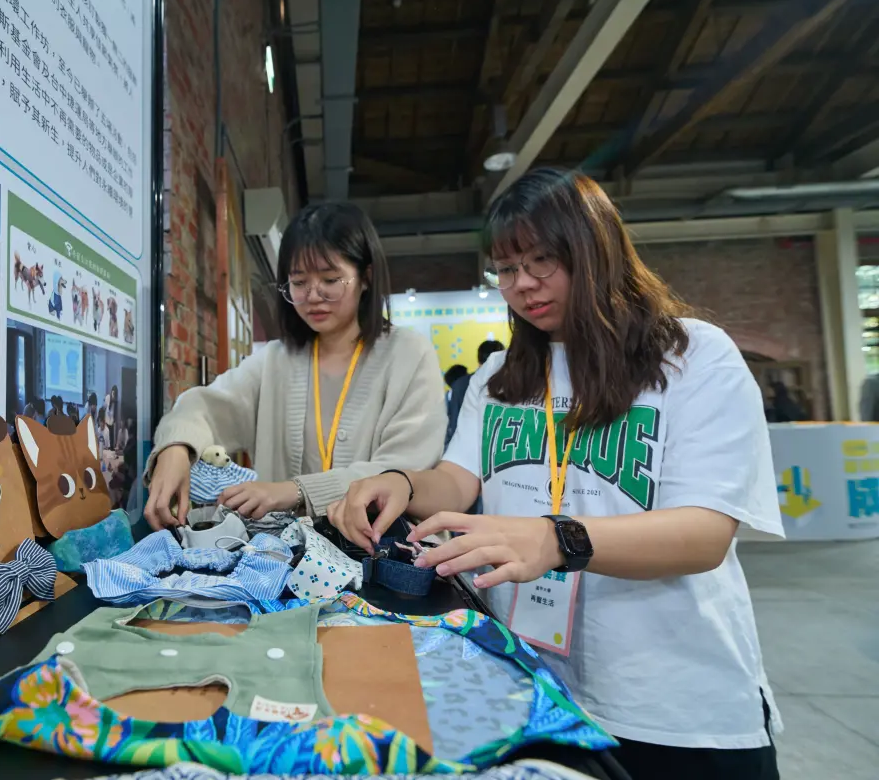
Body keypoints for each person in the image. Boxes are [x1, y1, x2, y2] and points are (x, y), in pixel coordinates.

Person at [331, 168, 783, 780]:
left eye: (542, 261)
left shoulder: (692, 357)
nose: (522, 286)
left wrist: (558, 538)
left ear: (594, 249)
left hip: (674, 706)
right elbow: (458, 481)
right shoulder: (499, 382)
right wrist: (405, 484)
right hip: (533, 687)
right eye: (507, 270)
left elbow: (705, 535)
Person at [144, 201, 447, 529]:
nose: (313, 296)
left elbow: (402, 471)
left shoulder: (409, 354)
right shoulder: (275, 360)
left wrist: (295, 491)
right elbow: (201, 407)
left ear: (366, 278)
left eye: (331, 280)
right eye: (299, 283)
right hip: (284, 563)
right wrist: (176, 448)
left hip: (379, 555)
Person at [446, 340, 505, 445]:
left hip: (467, 445)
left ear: (478, 361)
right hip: (500, 446)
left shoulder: (460, 385)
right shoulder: (512, 383)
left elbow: (455, 423)